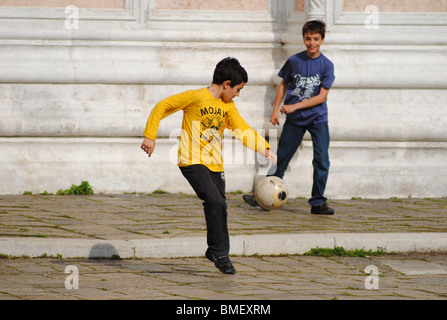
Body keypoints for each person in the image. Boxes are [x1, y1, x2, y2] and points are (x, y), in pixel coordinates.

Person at [141, 57, 277, 274]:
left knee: (219, 206)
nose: (237, 95)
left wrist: (264, 148)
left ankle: (215, 251)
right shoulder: (196, 97)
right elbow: (163, 105)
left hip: (215, 164)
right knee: (214, 200)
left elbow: (242, 128)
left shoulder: (227, 106)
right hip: (191, 160)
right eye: (238, 90)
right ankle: (221, 254)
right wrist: (150, 135)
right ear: (226, 84)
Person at [243, 19, 335, 215]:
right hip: (295, 120)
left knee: (322, 160)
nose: (312, 43)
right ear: (303, 39)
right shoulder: (294, 60)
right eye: (308, 38)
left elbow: (321, 96)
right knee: (282, 158)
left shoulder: (327, 65)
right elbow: (284, 84)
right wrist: (275, 109)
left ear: (323, 40)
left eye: (316, 39)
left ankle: (318, 202)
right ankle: (262, 196)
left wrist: (294, 106)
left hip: (318, 119)